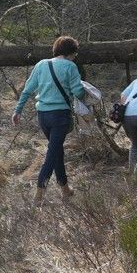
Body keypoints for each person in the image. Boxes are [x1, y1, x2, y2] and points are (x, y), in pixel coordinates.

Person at [11, 35, 88, 202]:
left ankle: (65, 189)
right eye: (75, 53)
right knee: (52, 154)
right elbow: (78, 92)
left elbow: (27, 90)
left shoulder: (41, 65)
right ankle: (39, 192)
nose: (75, 57)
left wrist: (18, 110)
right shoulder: (70, 66)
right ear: (71, 52)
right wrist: (85, 90)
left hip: (43, 117)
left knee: (57, 150)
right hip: (60, 116)